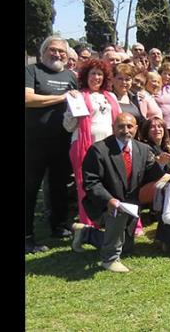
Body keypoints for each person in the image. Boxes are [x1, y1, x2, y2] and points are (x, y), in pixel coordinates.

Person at [72, 113, 169, 273]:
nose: (126, 130)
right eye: (121, 126)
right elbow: (91, 183)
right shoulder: (98, 150)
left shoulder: (142, 149)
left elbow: (153, 175)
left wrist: (164, 166)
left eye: (130, 126)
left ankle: (85, 234)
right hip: (103, 205)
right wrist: (109, 200)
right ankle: (110, 259)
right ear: (113, 128)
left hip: (129, 208)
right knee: (118, 210)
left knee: (127, 247)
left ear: (136, 128)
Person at [25, 36, 79, 253]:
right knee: (30, 189)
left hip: (62, 141)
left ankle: (58, 226)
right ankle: (27, 236)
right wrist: (61, 98)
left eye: (62, 52)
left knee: (59, 187)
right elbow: (28, 99)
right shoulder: (32, 71)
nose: (57, 55)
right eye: (52, 50)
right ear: (43, 52)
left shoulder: (70, 76)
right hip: (34, 142)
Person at [63, 59, 121, 228]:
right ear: (85, 76)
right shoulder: (78, 96)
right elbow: (68, 127)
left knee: (109, 184)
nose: (96, 77)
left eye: (100, 74)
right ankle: (89, 221)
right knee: (86, 185)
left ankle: (109, 219)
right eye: (93, 73)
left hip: (108, 148)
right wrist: (72, 109)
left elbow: (118, 122)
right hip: (84, 146)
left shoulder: (111, 97)